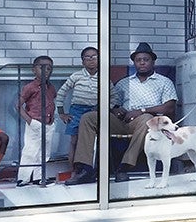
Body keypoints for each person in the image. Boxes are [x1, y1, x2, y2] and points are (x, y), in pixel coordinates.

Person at [75, 42, 178, 183]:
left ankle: (124, 167)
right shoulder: (124, 83)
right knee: (89, 117)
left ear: (153, 61)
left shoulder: (164, 82)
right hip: (121, 121)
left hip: (145, 123)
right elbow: (112, 103)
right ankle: (85, 169)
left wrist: (141, 111)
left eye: (146, 60)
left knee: (147, 119)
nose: (142, 63)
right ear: (134, 63)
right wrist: (116, 110)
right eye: (138, 60)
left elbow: (169, 107)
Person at [57, 47, 99, 185]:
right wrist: (61, 113)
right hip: (77, 110)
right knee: (74, 141)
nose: (91, 60)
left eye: (94, 56)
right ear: (82, 61)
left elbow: (113, 97)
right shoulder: (76, 76)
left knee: (89, 142)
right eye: (87, 57)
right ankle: (74, 171)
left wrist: (105, 108)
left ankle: (89, 170)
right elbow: (61, 93)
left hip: (95, 111)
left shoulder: (104, 77)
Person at [16, 55, 57, 186]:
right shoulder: (30, 87)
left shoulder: (51, 87)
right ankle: (23, 178)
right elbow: (18, 105)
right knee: (31, 150)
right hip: (35, 122)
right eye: (42, 67)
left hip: (49, 123)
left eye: (49, 68)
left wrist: (53, 118)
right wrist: (29, 120)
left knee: (45, 152)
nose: (46, 71)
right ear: (34, 70)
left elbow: (52, 102)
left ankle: (39, 177)